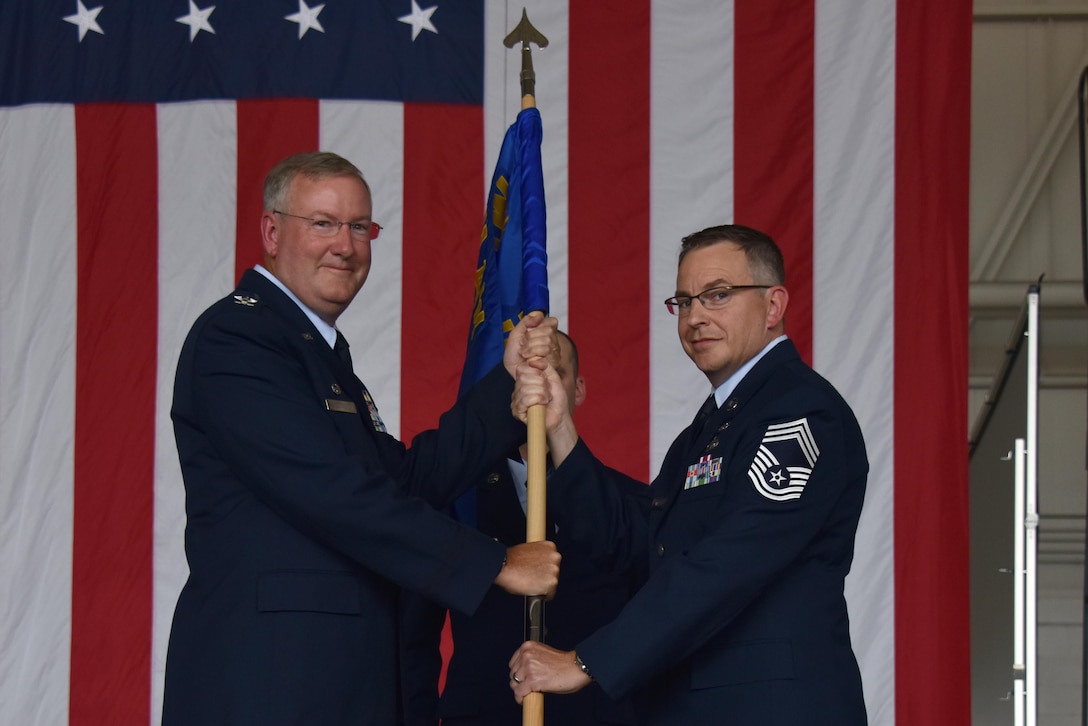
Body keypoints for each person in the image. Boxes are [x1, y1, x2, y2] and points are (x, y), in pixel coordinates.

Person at [161, 151, 561, 726]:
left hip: (337, 681)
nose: (344, 246)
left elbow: (400, 484)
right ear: (271, 232)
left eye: (359, 227)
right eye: (322, 223)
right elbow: (331, 491)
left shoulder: (314, 348)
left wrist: (507, 382)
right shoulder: (238, 337)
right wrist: (494, 563)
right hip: (272, 684)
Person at [508, 224, 869, 725]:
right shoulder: (709, 430)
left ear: (773, 305)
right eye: (684, 302)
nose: (696, 317)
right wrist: (560, 429)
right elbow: (643, 548)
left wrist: (585, 661)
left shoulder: (801, 414)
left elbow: (727, 564)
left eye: (718, 295)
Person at [399, 331, 639, 726]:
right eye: (525, 375)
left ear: (577, 389)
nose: (538, 386)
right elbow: (414, 641)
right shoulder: (455, 503)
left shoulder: (631, 501)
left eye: (553, 373)